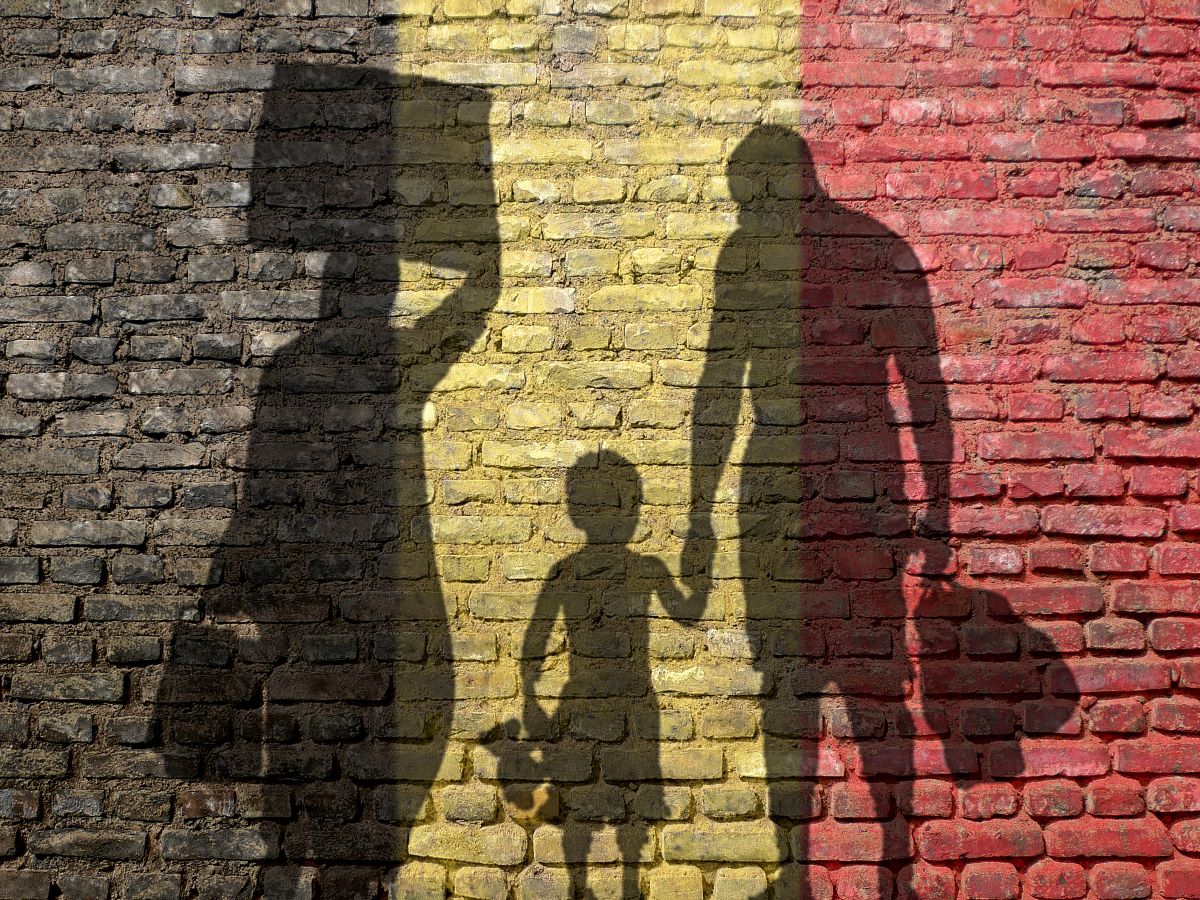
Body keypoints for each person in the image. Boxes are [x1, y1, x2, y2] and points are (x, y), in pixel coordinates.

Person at [683, 126, 1076, 897]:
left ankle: (856, 864)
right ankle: (840, 865)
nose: (748, 214)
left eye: (753, 198)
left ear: (788, 182)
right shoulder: (827, 250)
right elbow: (913, 389)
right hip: (821, 483)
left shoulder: (807, 252)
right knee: (820, 680)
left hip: (826, 484)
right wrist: (936, 514)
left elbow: (728, 390)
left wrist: (937, 514)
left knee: (827, 683)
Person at [152, 65, 499, 897]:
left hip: (305, 586)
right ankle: (349, 868)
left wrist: (229, 582)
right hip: (367, 583)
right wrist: (476, 241)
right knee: (371, 730)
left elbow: (254, 488)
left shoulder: (302, 367)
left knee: (305, 752)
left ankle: (306, 861)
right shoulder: (390, 364)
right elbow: (475, 304)